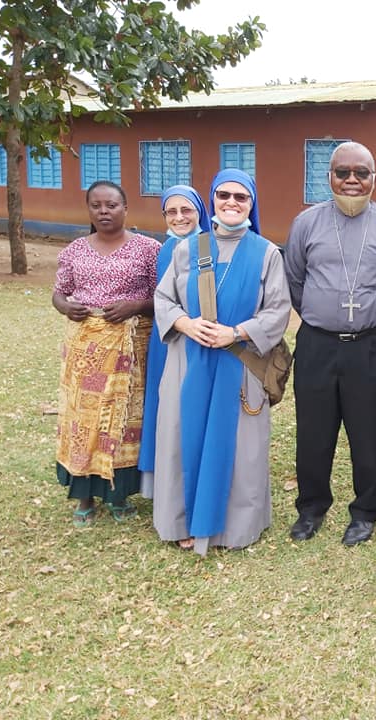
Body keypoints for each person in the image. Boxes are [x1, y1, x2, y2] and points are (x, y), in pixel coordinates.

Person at [153, 169, 291, 555]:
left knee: (241, 446)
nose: (231, 203)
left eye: (240, 197)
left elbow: (278, 311)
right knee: (183, 436)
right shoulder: (186, 249)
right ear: (212, 200)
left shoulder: (267, 254)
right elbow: (164, 300)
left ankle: (235, 526)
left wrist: (237, 333)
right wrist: (186, 323)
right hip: (189, 359)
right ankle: (185, 520)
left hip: (240, 363)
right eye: (223, 195)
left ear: (251, 203)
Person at [284, 141, 376, 546]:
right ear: (330, 177)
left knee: (369, 433)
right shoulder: (306, 224)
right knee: (314, 432)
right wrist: (326, 316)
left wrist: (371, 323)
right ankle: (312, 507)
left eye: (362, 172)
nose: (353, 180)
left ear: (375, 178)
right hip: (318, 345)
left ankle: (365, 511)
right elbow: (295, 280)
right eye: (344, 173)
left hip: (371, 348)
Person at [52, 180, 160, 527]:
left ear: (126, 208)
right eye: (96, 205)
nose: (104, 211)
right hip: (86, 350)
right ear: (89, 210)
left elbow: (164, 298)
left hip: (130, 349)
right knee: (83, 420)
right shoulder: (74, 250)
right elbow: (59, 293)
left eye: (111, 205)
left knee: (125, 419)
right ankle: (82, 495)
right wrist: (67, 307)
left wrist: (136, 305)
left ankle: (118, 496)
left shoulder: (148, 249)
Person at [138, 185, 211, 499]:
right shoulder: (165, 248)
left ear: (199, 213)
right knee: (165, 406)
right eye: (172, 211)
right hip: (165, 339)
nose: (179, 217)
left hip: (202, 336)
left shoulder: (210, 245)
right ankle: (163, 483)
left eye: (187, 210)